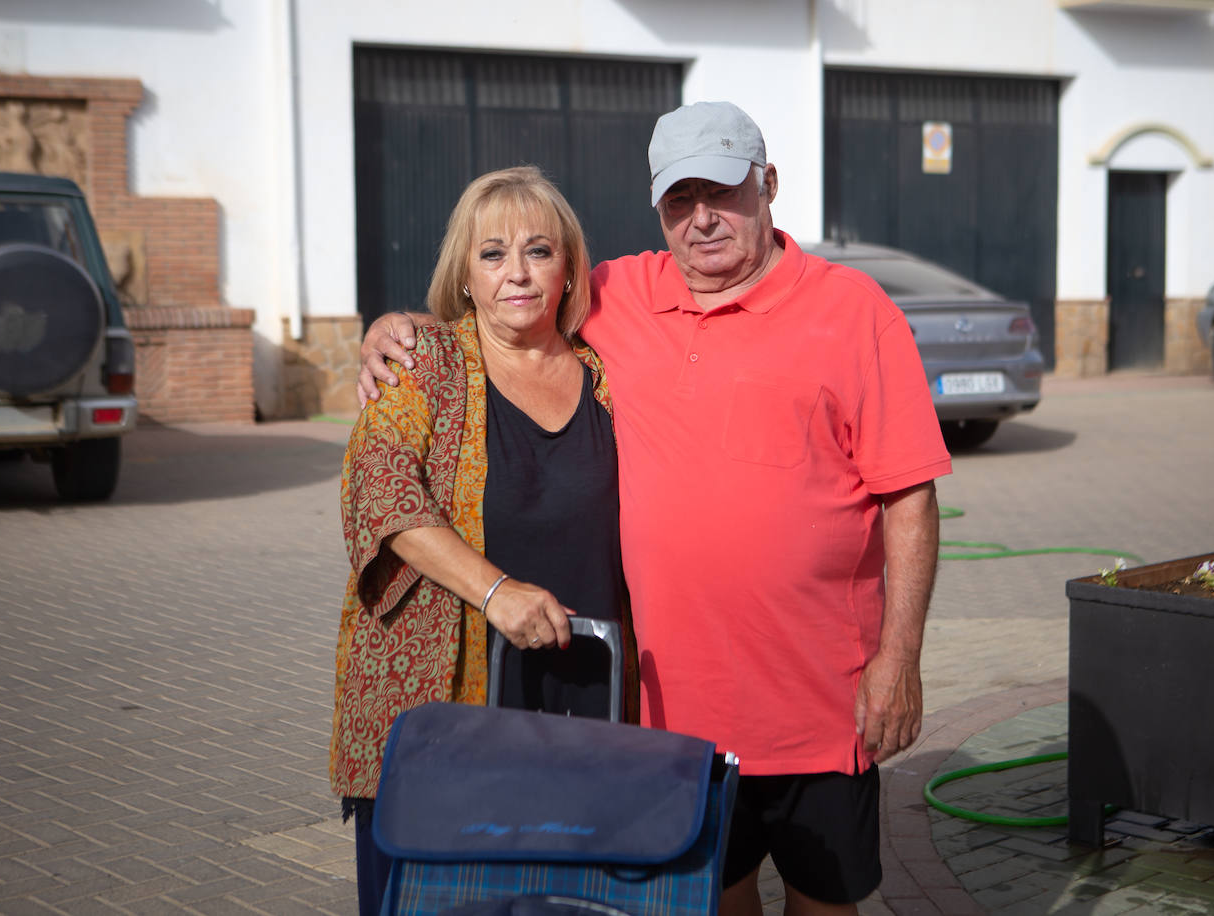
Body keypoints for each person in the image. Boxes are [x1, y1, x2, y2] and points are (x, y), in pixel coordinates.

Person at [357, 102, 952, 916]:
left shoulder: (855, 311)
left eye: (723, 193)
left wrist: (900, 659)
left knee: (824, 901)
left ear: (768, 185)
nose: (702, 220)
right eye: (680, 201)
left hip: (822, 700)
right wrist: (400, 329)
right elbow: (506, 301)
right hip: (673, 711)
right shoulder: (620, 294)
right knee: (711, 893)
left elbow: (910, 500)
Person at [332, 165, 635, 916]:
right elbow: (381, 490)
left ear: (569, 267)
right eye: (492, 254)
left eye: (539, 250)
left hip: (583, 695)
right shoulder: (423, 362)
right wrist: (498, 593)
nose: (518, 274)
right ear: (464, 276)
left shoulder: (608, 375)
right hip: (446, 703)